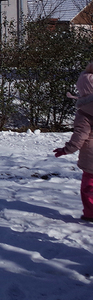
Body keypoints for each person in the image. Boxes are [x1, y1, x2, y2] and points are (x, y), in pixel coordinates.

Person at [53, 61, 93, 222]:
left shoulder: (84, 113)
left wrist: (65, 150)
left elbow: (79, 138)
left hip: (91, 160)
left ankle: (90, 213)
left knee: (89, 187)